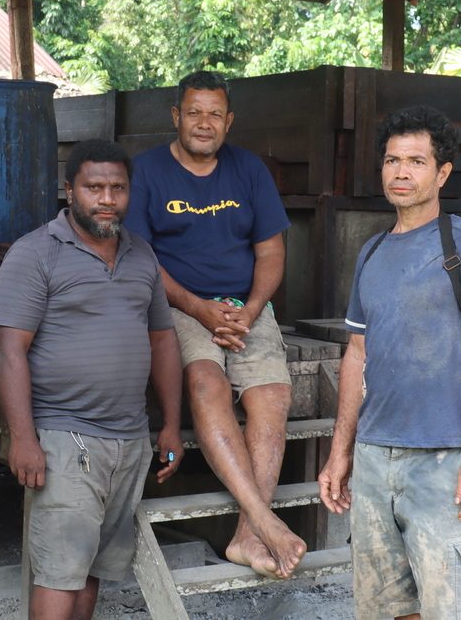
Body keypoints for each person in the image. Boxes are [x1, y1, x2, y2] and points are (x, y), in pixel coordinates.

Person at [318, 105, 461, 620]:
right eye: (391, 160)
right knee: (386, 608)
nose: (401, 172)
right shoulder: (372, 252)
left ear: (442, 173)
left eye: (416, 161)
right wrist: (341, 451)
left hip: (446, 461)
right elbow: (356, 355)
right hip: (375, 458)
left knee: (454, 609)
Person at [0, 139, 185, 620]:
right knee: (59, 574)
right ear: (69, 190)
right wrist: (23, 439)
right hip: (65, 438)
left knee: (91, 570)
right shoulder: (35, 253)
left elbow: (163, 340)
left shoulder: (142, 255)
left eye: (117, 188)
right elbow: (9, 350)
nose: (106, 199)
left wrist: (170, 427)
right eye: (93, 187)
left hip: (128, 438)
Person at [125, 69, 306, 579]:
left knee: (271, 396)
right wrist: (199, 308)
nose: (204, 123)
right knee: (207, 383)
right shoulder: (147, 171)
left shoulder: (248, 170)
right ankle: (267, 522)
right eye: (194, 112)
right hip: (177, 306)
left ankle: (249, 536)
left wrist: (249, 309)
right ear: (176, 116)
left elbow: (271, 250)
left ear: (229, 121)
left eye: (215, 114)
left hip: (246, 309)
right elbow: (141, 257)